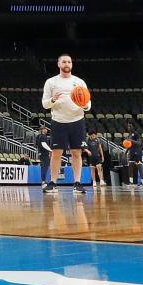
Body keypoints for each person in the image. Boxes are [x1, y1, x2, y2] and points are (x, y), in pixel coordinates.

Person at [41, 54, 91, 195]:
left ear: (71, 64)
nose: (66, 63)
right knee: (56, 153)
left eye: (69, 61)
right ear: (58, 64)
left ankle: (77, 183)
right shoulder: (51, 82)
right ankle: (53, 183)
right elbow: (45, 104)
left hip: (77, 121)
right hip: (59, 121)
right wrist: (53, 99)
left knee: (76, 152)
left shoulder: (79, 82)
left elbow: (88, 104)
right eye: (64, 61)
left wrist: (84, 104)